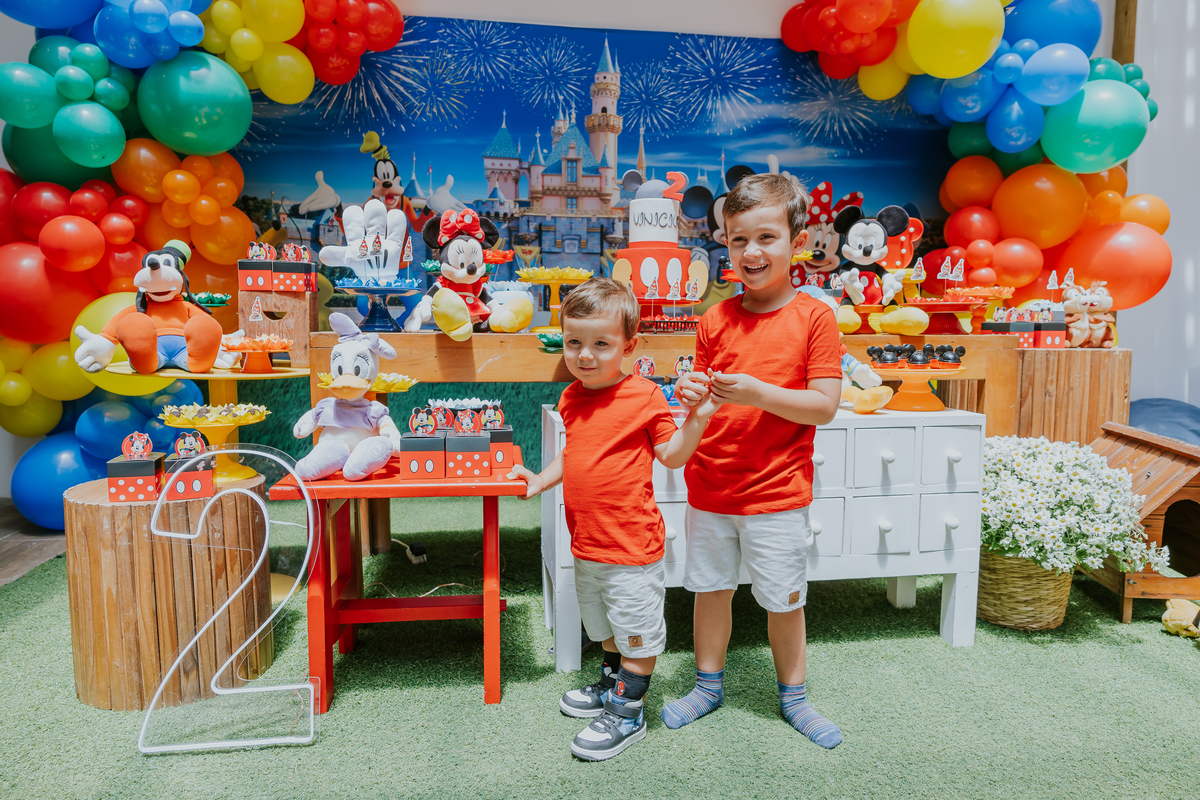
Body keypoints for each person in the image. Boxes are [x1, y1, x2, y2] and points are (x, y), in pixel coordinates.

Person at [507, 277, 720, 761]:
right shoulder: (571, 397)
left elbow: (670, 456)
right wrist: (542, 479)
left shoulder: (644, 395)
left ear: (629, 344)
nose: (585, 355)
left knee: (636, 632)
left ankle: (628, 714)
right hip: (586, 544)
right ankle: (611, 685)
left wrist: (698, 419)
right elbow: (575, 454)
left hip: (631, 548)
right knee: (603, 629)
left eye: (601, 344)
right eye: (574, 342)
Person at [668, 173, 845, 748]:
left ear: (796, 240)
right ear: (725, 242)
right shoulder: (713, 320)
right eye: (738, 239)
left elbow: (823, 407)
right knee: (709, 590)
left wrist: (755, 392)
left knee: (783, 599)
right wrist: (694, 396)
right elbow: (701, 402)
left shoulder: (815, 318)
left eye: (766, 237)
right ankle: (707, 685)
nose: (751, 252)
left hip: (777, 492)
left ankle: (793, 696)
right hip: (711, 486)